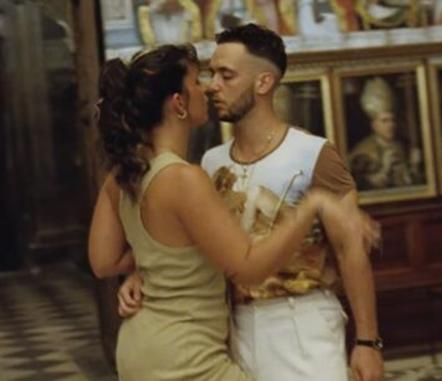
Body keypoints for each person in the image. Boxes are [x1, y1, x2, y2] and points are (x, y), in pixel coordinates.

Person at [118, 24, 384, 381]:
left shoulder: (313, 153)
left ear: (263, 83)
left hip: (300, 322)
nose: (212, 86)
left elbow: (351, 249)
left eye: (226, 75)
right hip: (231, 328)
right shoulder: (210, 163)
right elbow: (194, 245)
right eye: (211, 75)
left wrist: (368, 342)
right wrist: (139, 273)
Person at [349, 76, 422, 190]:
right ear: (374, 125)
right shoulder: (363, 151)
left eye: (392, 120)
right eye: (385, 121)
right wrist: (385, 169)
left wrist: (415, 167)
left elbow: (411, 184)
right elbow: (361, 186)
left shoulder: (403, 145)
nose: (391, 125)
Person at [137, 0, 203, 46]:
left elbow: (196, 37)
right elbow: (149, 41)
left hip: (183, 51)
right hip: (158, 52)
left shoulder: (191, 9)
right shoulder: (146, 12)